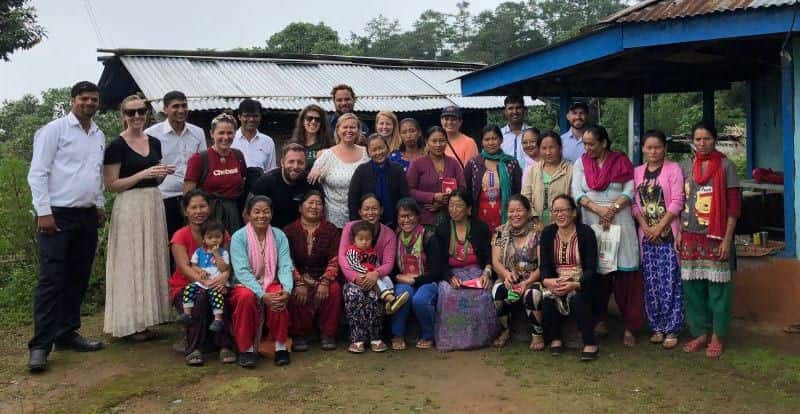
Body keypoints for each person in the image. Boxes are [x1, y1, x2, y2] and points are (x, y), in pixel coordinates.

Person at [27, 81, 106, 372]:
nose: (89, 103)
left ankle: (67, 332)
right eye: (84, 99)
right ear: (72, 100)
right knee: (51, 279)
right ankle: (40, 346)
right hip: (55, 215)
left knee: (77, 276)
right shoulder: (54, 130)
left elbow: (95, 174)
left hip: (85, 215)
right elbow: (38, 173)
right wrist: (43, 212)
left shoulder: (98, 134)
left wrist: (99, 204)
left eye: (94, 99)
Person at [102, 94, 172, 340]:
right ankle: (129, 322)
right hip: (130, 205)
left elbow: (155, 177)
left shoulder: (154, 142)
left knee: (151, 257)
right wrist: (143, 174)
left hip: (153, 202)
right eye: (130, 112)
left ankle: (148, 318)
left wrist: (161, 173)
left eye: (141, 111)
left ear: (147, 113)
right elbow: (112, 185)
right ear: (123, 116)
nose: (136, 117)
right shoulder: (116, 146)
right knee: (131, 260)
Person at [572, 125, 643, 346]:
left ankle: (630, 327)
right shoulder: (581, 163)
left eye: (591, 143)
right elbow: (577, 192)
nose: (587, 148)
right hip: (593, 223)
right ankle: (599, 320)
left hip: (620, 222)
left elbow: (630, 190)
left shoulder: (621, 161)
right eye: (584, 143)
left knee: (626, 277)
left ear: (603, 143)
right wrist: (599, 210)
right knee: (597, 275)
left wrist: (612, 209)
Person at [679, 122, 741, 358]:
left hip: (716, 237)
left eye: (706, 139)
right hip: (690, 235)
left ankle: (717, 335)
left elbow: (733, 208)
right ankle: (699, 333)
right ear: (692, 142)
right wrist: (679, 234)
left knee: (718, 290)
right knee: (693, 289)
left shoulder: (726, 166)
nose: (702, 143)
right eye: (698, 139)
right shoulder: (686, 166)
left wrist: (727, 239)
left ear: (714, 140)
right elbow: (681, 202)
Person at [169, 189, 236, 366]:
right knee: (200, 297)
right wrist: (205, 283)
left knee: (222, 295)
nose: (199, 211)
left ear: (210, 207)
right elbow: (184, 268)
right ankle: (194, 349)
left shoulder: (221, 233)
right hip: (187, 287)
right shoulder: (180, 236)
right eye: (193, 207)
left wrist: (224, 278)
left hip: (217, 281)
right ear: (185, 211)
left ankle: (225, 346)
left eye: (203, 206)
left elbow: (229, 263)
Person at [632, 130, 685, 350]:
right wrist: (646, 227)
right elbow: (634, 204)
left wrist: (659, 227)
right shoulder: (636, 172)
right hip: (647, 237)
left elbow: (677, 201)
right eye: (649, 147)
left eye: (658, 147)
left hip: (668, 235)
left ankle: (672, 328)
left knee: (670, 281)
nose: (653, 151)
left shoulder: (674, 169)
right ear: (643, 148)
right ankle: (657, 327)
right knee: (651, 283)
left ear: (664, 148)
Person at [229, 196, 294, 368]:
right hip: (245, 283)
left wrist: (287, 289)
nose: (261, 216)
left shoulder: (279, 235)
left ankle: (280, 347)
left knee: (278, 295)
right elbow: (241, 271)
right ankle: (247, 350)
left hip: (271, 279)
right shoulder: (238, 237)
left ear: (271, 214)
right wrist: (261, 294)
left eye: (266, 211)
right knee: (245, 297)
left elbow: (286, 265)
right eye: (256, 212)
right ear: (248, 214)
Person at [434, 189, 498, 351]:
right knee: (448, 292)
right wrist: (449, 277)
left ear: (469, 209)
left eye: (459, 206)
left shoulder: (480, 227)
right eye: (451, 205)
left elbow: (489, 255)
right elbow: (439, 261)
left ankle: (479, 338)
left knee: (482, 293)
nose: (453, 210)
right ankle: (452, 339)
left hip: (476, 271)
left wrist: (486, 273)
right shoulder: (442, 229)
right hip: (453, 273)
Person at [539, 195, 599, 361]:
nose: (559, 214)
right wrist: (547, 281)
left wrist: (575, 284)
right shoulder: (547, 233)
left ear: (573, 212)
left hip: (581, 281)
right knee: (547, 298)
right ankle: (556, 339)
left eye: (563, 210)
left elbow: (592, 268)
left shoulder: (586, 233)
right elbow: (544, 266)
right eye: (555, 211)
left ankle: (590, 343)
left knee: (578, 299)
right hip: (556, 280)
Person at [338, 195, 397, 353]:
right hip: (354, 278)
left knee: (374, 295)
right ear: (360, 211)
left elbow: (388, 262)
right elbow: (343, 257)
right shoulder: (350, 228)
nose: (370, 212)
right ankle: (357, 339)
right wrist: (356, 278)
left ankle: (376, 338)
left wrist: (375, 274)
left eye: (374, 208)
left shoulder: (389, 234)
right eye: (366, 208)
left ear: (381, 210)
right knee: (355, 294)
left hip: (375, 275)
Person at [145, 90, 207, 243]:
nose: (181, 110)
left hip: (192, 199)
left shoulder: (197, 133)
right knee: (167, 242)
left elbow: (204, 165)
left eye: (184, 106)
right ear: (165, 109)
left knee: (194, 242)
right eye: (175, 106)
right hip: (164, 197)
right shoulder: (151, 134)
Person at [283, 191, 342, 351]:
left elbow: (335, 258)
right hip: (298, 275)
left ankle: (328, 334)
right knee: (295, 292)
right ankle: (299, 335)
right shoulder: (289, 231)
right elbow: (286, 260)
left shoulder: (331, 230)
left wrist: (324, 281)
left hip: (323, 275)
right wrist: (299, 281)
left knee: (334, 290)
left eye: (318, 203)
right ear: (300, 207)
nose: (314, 207)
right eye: (310, 203)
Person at [490, 195, 544, 350]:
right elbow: (496, 261)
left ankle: (537, 334)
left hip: (533, 277)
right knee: (497, 292)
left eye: (519, 210)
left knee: (532, 294)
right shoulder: (501, 232)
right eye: (511, 211)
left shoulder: (538, 231)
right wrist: (506, 275)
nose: (515, 215)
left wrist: (526, 283)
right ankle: (505, 330)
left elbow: (543, 265)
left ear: (528, 212)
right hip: (510, 276)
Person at [391, 198, 443, 350]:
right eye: (402, 216)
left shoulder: (429, 237)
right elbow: (391, 266)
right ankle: (397, 335)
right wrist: (398, 277)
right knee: (402, 296)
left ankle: (428, 335)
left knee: (420, 299)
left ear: (418, 217)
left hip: (427, 280)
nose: (406, 220)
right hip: (403, 281)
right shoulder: (395, 237)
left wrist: (416, 280)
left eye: (410, 216)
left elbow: (436, 271)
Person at [184, 113, 247, 233]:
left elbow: (242, 182)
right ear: (212, 134)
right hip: (208, 215)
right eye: (221, 133)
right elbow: (188, 195)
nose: (226, 137)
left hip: (233, 213)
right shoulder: (199, 159)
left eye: (230, 133)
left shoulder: (238, 155)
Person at [307, 113, 369, 228]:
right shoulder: (327, 155)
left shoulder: (366, 153)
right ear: (338, 130)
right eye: (345, 127)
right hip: (332, 220)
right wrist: (316, 173)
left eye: (352, 127)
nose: (348, 130)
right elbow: (311, 181)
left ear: (358, 130)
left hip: (360, 219)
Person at [463, 125, 522, 232]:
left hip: (505, 217)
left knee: (502, 246)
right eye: (487, 139)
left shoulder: (511, 163)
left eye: (494, 138)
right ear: (481, 142)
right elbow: (465, 189)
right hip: (479, 217)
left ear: (501, 140)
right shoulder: (474, 163)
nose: (491, 143)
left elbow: (518, 190)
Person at [249, 143, 322, 229]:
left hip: (301, 233)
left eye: (300, 162)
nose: (295, 166)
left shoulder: (311, 182)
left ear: (305, 164)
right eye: (291, 161)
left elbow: (321, 211)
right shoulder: (266, 181)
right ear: (282, 162)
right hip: (271, 232)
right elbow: (248, 213)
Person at [407, 126, 466, 230]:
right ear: (427, 142)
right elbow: (410, 190)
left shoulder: (453, 163)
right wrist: (433, 197)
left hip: (451, 217)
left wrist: (444, 202)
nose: (438, 145)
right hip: (424, 219)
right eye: (434, 141)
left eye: (442, 141)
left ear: (446, 141)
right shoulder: (417, 163)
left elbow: (462, 187)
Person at [345, 221, 410, 314]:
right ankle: (391, 300)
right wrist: (367, 272)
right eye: (361, 239)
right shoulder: (352, 251)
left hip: (373, 273)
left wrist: (377, 271)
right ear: (354, 240)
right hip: (362, 275)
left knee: (386, 278)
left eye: (367, 239)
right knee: (377, 281)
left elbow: (377, 263)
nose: (364, 242)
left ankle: (389, 300)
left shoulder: (372, 252)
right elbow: (353, 264)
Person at [179, 219, 230, 333]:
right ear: (203, 239)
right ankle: (187, 313)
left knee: (216, 295)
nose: (214, 240)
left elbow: (224, 268)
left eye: (217, 237)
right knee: (189, 289)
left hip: (217, 281)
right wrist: (200, 271)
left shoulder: (223, 253)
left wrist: (216, 254)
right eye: (210, 237)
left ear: (222, 237)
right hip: (203, 281)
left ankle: (218, 319)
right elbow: (193, 265)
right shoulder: (199, 252)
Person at [348, 134, 409, 228]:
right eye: (374, 150)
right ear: (368, 153)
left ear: (387, 148)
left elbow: (405, 197)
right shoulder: (361, 171)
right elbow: (353, 199)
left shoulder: (397, 169)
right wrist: (357, 225)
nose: (378, 152)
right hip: (367, 224)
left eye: (381, 148)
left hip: (394, 223)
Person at [522, 132, 573, 226]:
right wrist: (535, 219)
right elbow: (525, 198)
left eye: (552, 147)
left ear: (560, 148)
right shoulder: (532, 170)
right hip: (536, 225)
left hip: (563, 224)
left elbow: (573, 200)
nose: (548, 152)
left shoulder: (570, 169)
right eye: (544, 148)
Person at [232, 99, 276, 198]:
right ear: (239, 117)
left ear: (260, 117)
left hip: (259, 195)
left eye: (255, 116)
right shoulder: (230, 140)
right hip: (234, 194)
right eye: (246, 116)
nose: (251, 119)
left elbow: (270, 171)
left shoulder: (268, 141)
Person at [289, 104, 332, 171]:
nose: (313, 122)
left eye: (317, 119)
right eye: (309, 118)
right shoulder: (292, 144)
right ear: (303, 121)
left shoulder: (329, 146)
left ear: (322, 123)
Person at [500, 95, 531, 167]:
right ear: (505, 112)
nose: (515, 111)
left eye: (518, 108)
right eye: (510, 108)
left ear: (524, 110)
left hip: (530, 177)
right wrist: (492, 178)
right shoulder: (498, 135)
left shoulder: (533, 134)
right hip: (504, 177)